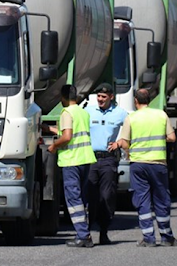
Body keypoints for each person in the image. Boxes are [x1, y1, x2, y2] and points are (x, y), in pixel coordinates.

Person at [118, 88, 177, 247]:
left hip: (138, 165)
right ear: (150, 100)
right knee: (161, 199)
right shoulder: (161, 114)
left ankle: (148, 238)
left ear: (136, 101)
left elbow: (125, 142)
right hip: (158, 164)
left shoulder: (131, 118)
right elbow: (172, 137)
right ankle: (167, 236)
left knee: (142, 199)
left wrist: (128, 152)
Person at [43, 84, 97, 248]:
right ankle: (84, 232)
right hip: (85, 158)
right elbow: (71, 132)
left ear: (63, 98)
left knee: (74, 199)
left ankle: (83, 235)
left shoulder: (66, 112)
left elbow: (67, 136)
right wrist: (50, 129)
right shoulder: (83, 112)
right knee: (82, 198)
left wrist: (53, 146)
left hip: (71, 160)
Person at [84, 82, 128, 245]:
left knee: (107, 196)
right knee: (90, 196)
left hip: (108, 159)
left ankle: (104, 231)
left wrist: (120, 142)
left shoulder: (120, 113)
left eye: (103, 97)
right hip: (90, 158)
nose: (100, 99)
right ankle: (86, 232)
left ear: (111, 97)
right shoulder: (88, 111)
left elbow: (133, 128)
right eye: (98, 96)